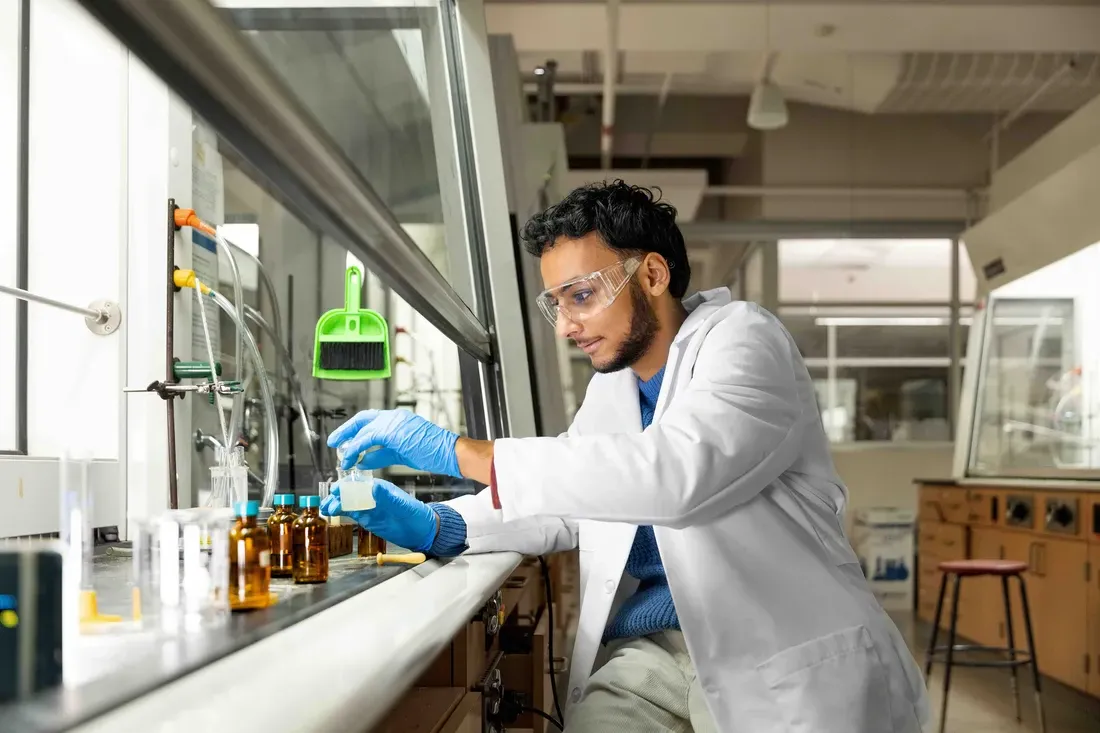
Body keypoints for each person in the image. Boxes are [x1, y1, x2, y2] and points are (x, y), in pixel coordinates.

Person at [322, 181, 931, 733]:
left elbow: (677, 476)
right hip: (656, 654)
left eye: (581, 296)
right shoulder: (612, 388)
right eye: (556, 303)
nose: (566, 326)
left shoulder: (745, 340)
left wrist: (460, 452)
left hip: (777, 655)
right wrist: (443, 525)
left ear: (653, 276)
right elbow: (576, 495)